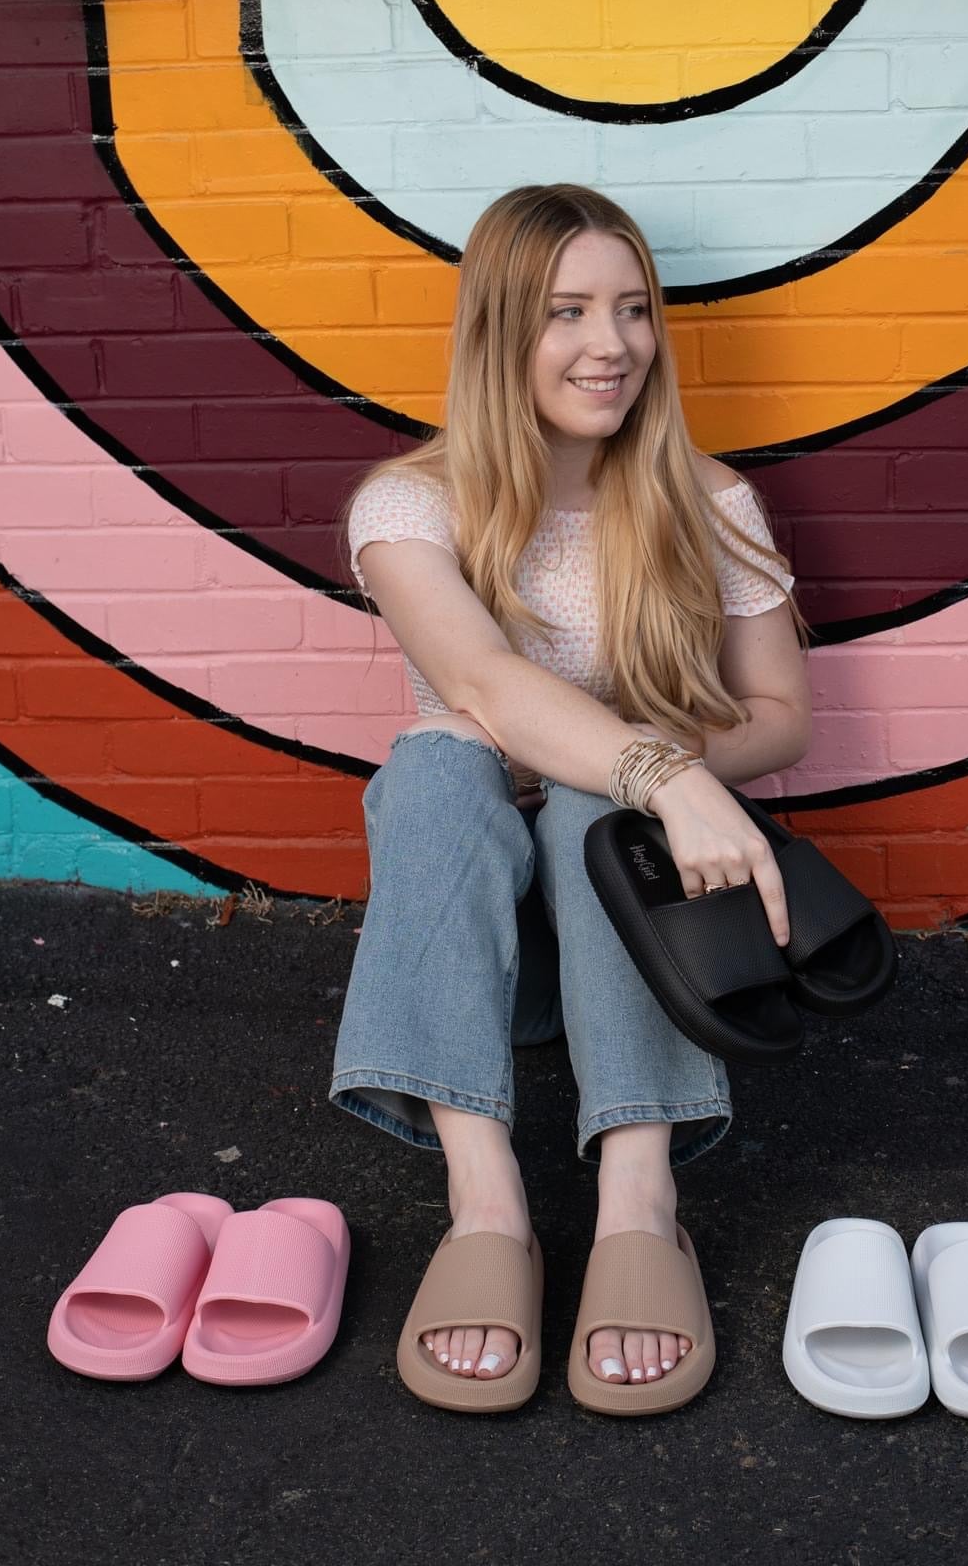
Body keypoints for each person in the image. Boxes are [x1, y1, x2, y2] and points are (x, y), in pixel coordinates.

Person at [329, 182, 812, 1411]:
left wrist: (655, 769)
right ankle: (485, 1202)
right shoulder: (410, 505)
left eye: (634, 308)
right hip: (491, 968)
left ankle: (640, 1198)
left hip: (649, 931)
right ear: (500, 328)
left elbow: (783, 714)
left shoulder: (708, 501)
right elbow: (483, 681)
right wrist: (655, 764)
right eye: (568, 311)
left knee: (601, 802)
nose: (614, 344)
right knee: (436, 764)